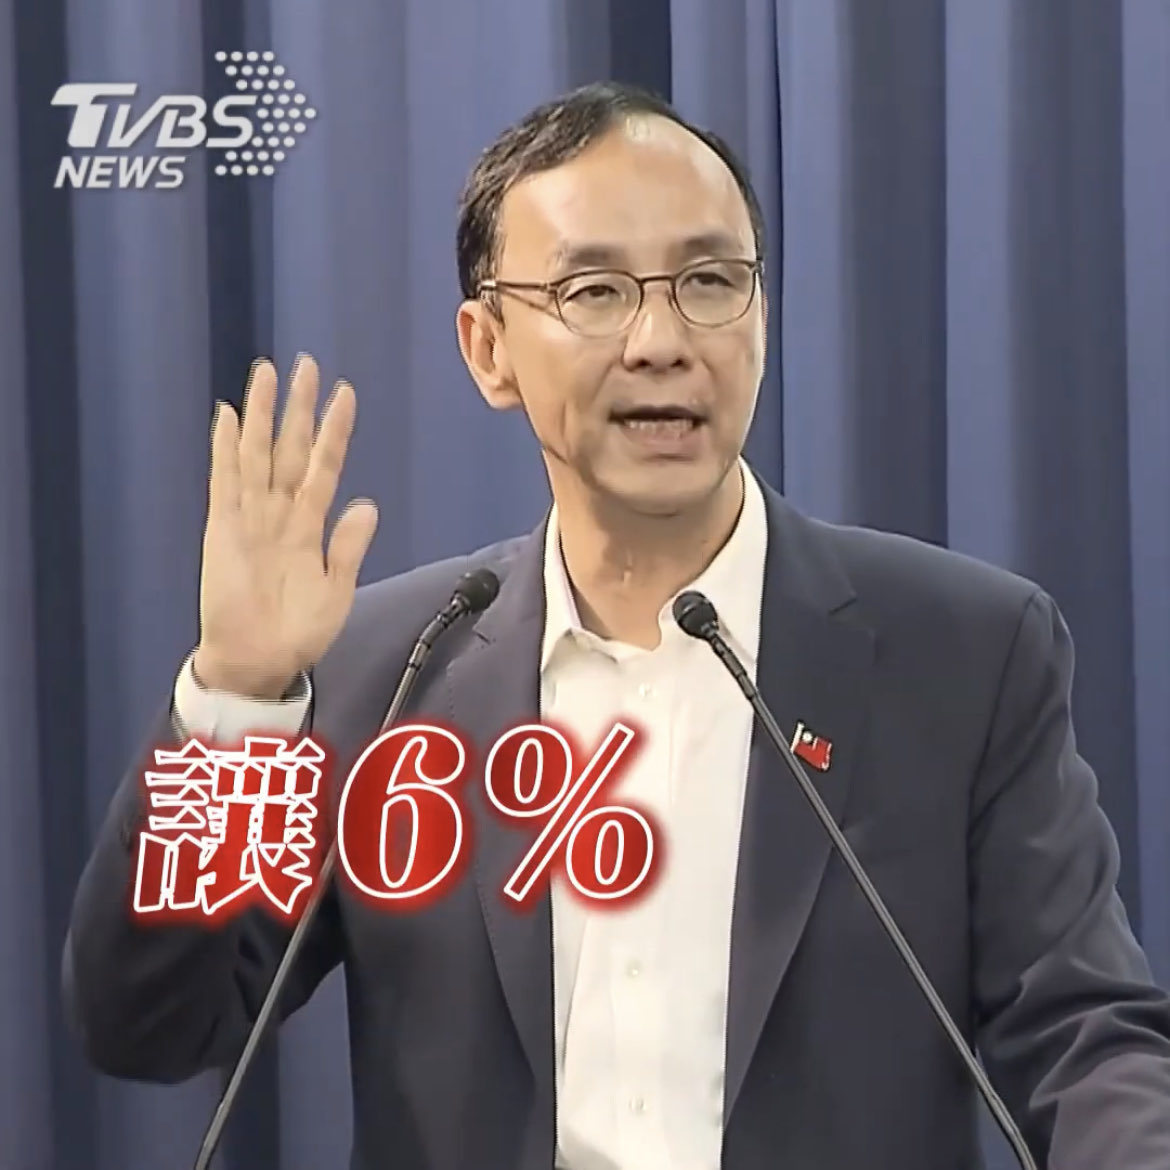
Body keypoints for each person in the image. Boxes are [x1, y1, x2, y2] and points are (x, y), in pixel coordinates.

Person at [64, 81, 1170, 1170]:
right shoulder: (384, 677)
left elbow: (1081, 1035)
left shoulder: (963, 654)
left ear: (762, 314)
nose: (660, 340)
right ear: (489, 348)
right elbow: (156, 1024)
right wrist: (240, 700)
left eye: (709, 281)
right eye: (593, 291)